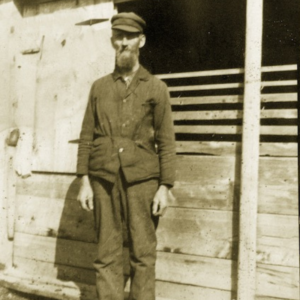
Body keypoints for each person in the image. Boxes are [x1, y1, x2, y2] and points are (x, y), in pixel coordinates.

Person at [76, 12, 176, 300]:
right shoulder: (100, 88)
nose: (123, 42)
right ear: (112, 41)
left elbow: (167, 142)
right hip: (103, 179)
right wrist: (84, 180)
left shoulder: (156, 88)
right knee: (106, 254)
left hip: (142, 181)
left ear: (140, 41)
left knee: (143, 253)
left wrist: (164, 187)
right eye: (118, 36)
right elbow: (86, 137)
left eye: (129, 37)